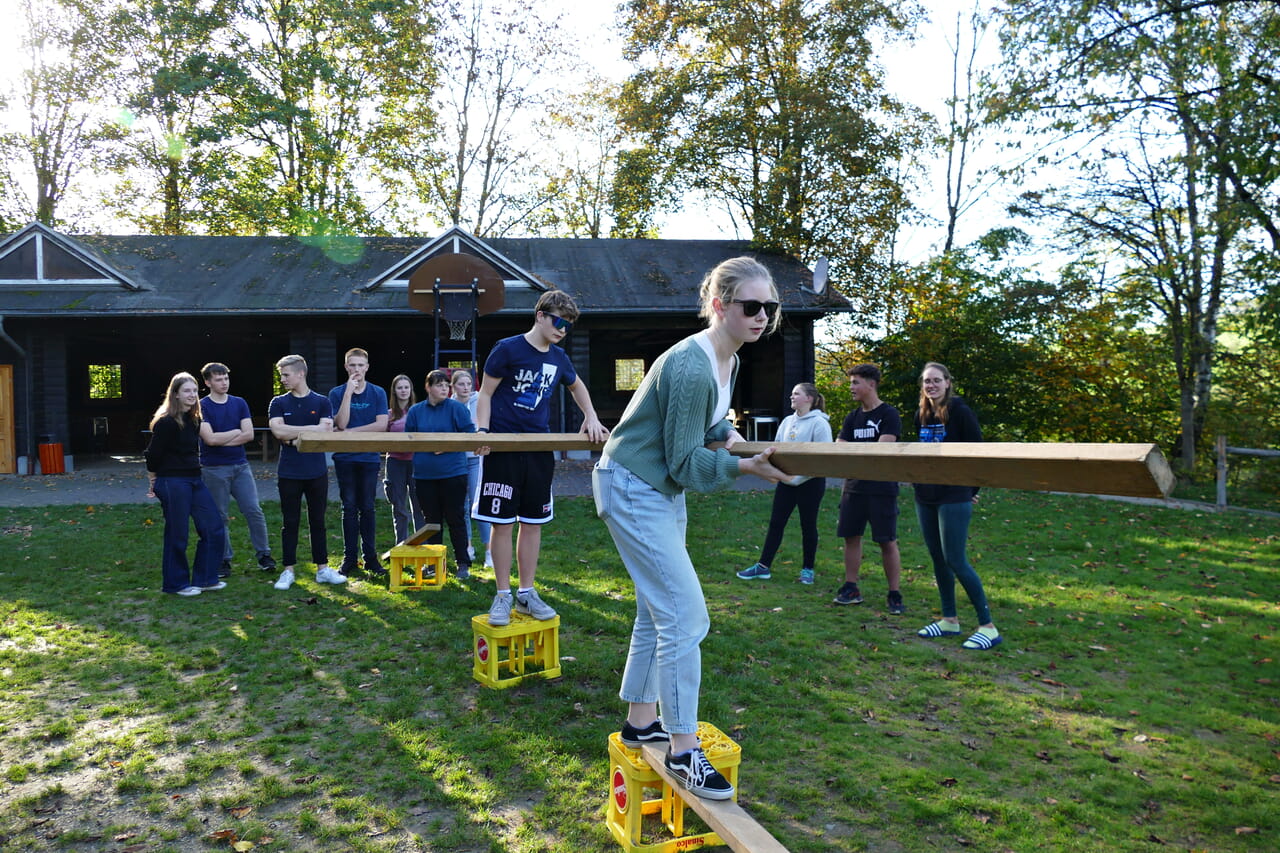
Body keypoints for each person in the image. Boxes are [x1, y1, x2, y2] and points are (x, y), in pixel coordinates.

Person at [593, 256, 788, 800]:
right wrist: (742, 465)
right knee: (686, 615)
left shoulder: (729, 361)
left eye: (769, 308)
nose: (762, 316)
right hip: (634, 484)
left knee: (658, 611)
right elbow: (683, 461)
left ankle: (641, 720)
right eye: (752, 306)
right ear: (720, 306)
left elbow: (710, 421)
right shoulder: (691, 364)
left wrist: (728, 436)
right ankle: (682, 751)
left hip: (654, 487)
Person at [474, 290, 609, 626]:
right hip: (503, 448)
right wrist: (482, 433)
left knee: (532, 524)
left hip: (538, 450)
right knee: (502, 524)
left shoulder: (559, 358)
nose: (563, 329)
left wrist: (590, 416)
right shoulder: (507, 349)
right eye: (559, 321)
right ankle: (503, 595)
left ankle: (526, 593)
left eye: (569, 325)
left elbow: (577, 386)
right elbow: (485, 393)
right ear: (540, 315)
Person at [912, 362, 1001, 650]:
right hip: (926, 496)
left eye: (936, 380)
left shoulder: (960, 411)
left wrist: (970, 489)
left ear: (948, 383)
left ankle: (988, 627)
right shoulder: (922, 415)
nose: (931, 385)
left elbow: (978, 453)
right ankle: (949, 620)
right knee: (938, 558)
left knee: (956, 559)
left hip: (954, 495)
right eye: (927, 381)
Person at [737, 382, 832, 584]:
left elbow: (823, 458)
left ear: (809, 399)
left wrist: (797, 478)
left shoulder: (820, 423)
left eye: (796, 394)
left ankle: (808, 570)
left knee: (808, 526)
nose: (791, 397)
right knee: (776, 523)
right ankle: (763, 567)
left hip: (811, 484)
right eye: (791, 394)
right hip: (786, 482)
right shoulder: (787, 421)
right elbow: (777, 451)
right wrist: (783, 476)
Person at [144, 372, 227, 597]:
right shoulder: (166, 423)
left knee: (214, 527)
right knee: (178, 534)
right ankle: (176, 584)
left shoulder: (194, 419)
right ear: (176, 395)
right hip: (172, 481)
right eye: (186, 391)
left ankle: (206, 578)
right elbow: (152, 455)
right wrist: (153, 479)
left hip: (194, 479)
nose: (192, 395)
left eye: (194, 391)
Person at [268, 354, 344, 590]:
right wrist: (310, 432)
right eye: (281, 375)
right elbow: (278, 432)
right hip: (289, 472)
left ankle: (322, 569)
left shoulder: (321, 401)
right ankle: (288, 570)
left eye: (286, 375)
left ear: (301, 373)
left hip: (316, 472)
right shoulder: (278, 402)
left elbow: (326, 431)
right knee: (290, 522)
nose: (283, 379)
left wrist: (295, 435)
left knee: (317, 521)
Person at [833, 363, 905, 613]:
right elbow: (839, 448)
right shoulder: (852, 417)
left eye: (855, 383)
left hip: (882, 489)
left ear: (871, 385)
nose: (851, 387)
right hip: (853, 488)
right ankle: (851, 587)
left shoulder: (889, 414)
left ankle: (894, 593)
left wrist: (853, 451)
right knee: (851, 538)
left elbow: (881, 451)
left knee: (887, 541)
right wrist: (853, 453)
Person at [197, 362, 276, 578]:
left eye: (226, 378)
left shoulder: (239, 403)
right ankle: (223, 560)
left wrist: (222, 437)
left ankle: (264, 555)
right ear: (208, 382)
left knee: (253, 510)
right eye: (218, 379)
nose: (224, 383)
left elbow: (249, 435)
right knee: (219, 515)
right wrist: (234, 433)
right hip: (213, 469)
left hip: (240, 466)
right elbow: (210, 440)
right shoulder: (201, 406)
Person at [406, 369, 477, 578]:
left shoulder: (457, 408)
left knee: (456, 518)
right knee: (432, 521)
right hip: (424, 475)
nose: (444, 388)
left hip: (453, 473)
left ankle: (463, 563)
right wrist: (429, 446)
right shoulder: (416, 411)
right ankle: (435, 564)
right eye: (439, 385)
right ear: (428, 387)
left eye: (446, 385)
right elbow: (408, 438)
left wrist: (445, 446)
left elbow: (470, 436)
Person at [329, 347, 389, 577]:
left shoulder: (377, 392)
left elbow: (381, 424)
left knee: (368, 507)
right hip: (344, 457)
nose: (356, 370)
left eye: (360, 365)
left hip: (369, 457)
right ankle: (349, 558)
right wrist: (348, 394)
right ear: (346, 367)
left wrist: (352, 433)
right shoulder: (336, 393)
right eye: (352, 365)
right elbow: (341, 423)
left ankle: (371, 559)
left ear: (367, 367)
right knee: (349, 508)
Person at [451, 368, 492, 567]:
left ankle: (489, 551)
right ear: (454, 386)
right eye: (461, 384)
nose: (466, 388)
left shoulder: (479, 401)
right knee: (462, 505)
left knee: (479, 503)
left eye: (468, 384)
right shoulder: (449, 404)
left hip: (476, 458)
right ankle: (467, 546)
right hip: (457, 459)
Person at [383, 373, 425, 545]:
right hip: (395, 463)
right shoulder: (388, 415)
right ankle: (401, 545)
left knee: (419, 507)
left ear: (411, 390)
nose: (403, 390)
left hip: (416, 462)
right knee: (399, 506)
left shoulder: (419, 412)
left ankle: (422, 546)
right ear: (394, 391)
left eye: (406, 387)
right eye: (399, 387)